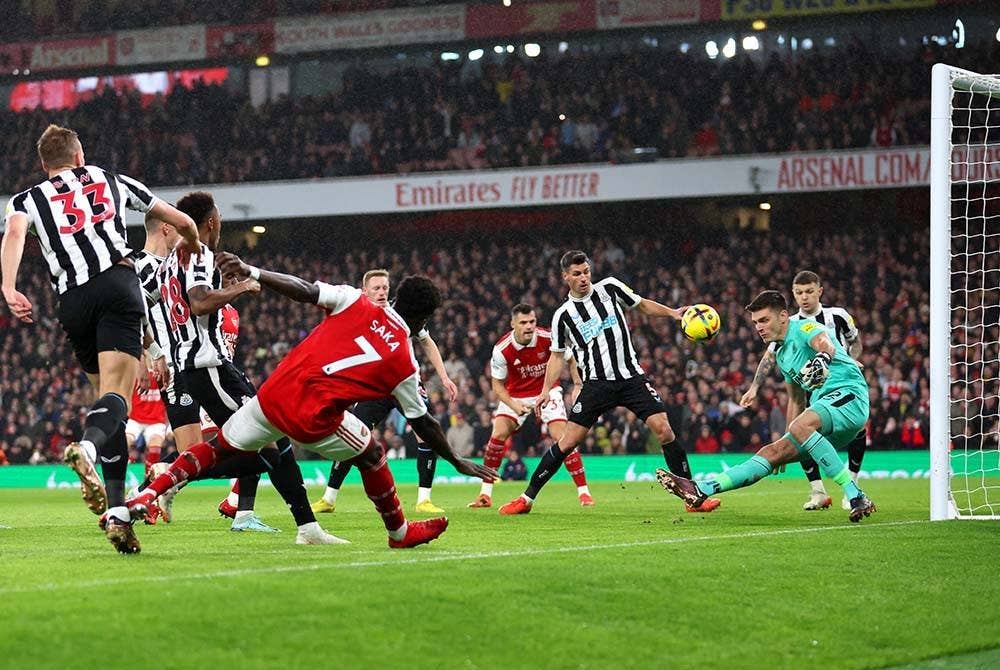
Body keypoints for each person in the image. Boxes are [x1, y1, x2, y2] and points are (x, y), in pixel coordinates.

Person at [128, 258, 497, 548]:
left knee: (218, 447)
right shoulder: (405, 361)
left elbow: (302, 289)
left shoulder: (354, 299)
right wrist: (456, 460)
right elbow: (423, 421)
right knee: (372, 454)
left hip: (275, 393)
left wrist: (254, 271)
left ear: (395, 295)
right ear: (424, 319)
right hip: (313, 417)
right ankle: (399, 533)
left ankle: (147, 494)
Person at [1, 124, 198, 553]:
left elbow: (14, 234)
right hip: (116, 286)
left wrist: (9, 285)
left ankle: (117, 513)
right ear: (78, 157)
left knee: (108, 407)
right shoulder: (110, 179)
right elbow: (179, 219)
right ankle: (88, 449)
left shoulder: (26, 200)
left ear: (43, 164)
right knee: (117, 401)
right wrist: (199, 245)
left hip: (72, 301)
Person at [499, 250, 720, 514]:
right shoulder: (563, 316)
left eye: (586, 271)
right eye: (577, 273)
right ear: (565, 277)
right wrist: (546, 390)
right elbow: (556, 357)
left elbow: (641, 304)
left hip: (631, 378)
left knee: (664, 429)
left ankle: (692, 498)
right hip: (596, 385)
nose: (584, 278)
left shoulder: (611, 288)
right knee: (567, 442)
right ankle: (526, 499)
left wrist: (673, 313)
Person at [657, 290, 877, 523]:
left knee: (801, 426)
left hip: (850, 397)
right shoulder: (781, 354)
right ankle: (702, 489)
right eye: (755, 323)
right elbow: (796, 400)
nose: (759, 327)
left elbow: (824, 343)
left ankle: (855, 495)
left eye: (764, 320)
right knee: (771, 452)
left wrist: (823, 357)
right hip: (827, 415)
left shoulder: (803, 328)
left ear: (783, 316)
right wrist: (786, 441)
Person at [310, 269, 459, 516]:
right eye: (377, 288)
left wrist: (443, 377)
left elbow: (426, 340)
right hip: (375, 387)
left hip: (404, 384)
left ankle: (424, 499)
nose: (382, 292)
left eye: (385, 288)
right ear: (364, 290)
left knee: (426, 433)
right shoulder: (356, 312)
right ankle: (329, 498)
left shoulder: (400, 313)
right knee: (352, 435)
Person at [740, 271, 866, 511]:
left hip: (839, 379)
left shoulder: (837, 315)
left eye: (809, 291)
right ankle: (817, 489)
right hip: (811, 385)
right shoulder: (788, 325)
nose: (804, 297)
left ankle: (853, 482)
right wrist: (755, 387)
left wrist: (852, 359)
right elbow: (769, 357)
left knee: (858, 428)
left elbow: (855, 341)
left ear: (820, 290)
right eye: (798, 293)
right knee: (801, 430)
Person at [468, 302, 593, 509]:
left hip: (547, 390)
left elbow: (570, 359)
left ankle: (584, 493)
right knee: (497, 436)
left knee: (564, 438)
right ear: (513, 324)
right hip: (515, 396)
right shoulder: (502, 349)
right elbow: (497, 387)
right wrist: (514, 406)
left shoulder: (548, 337)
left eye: (532, 321)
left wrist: (578, 384)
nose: (529, 326)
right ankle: (485, 495)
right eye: (523, 322)